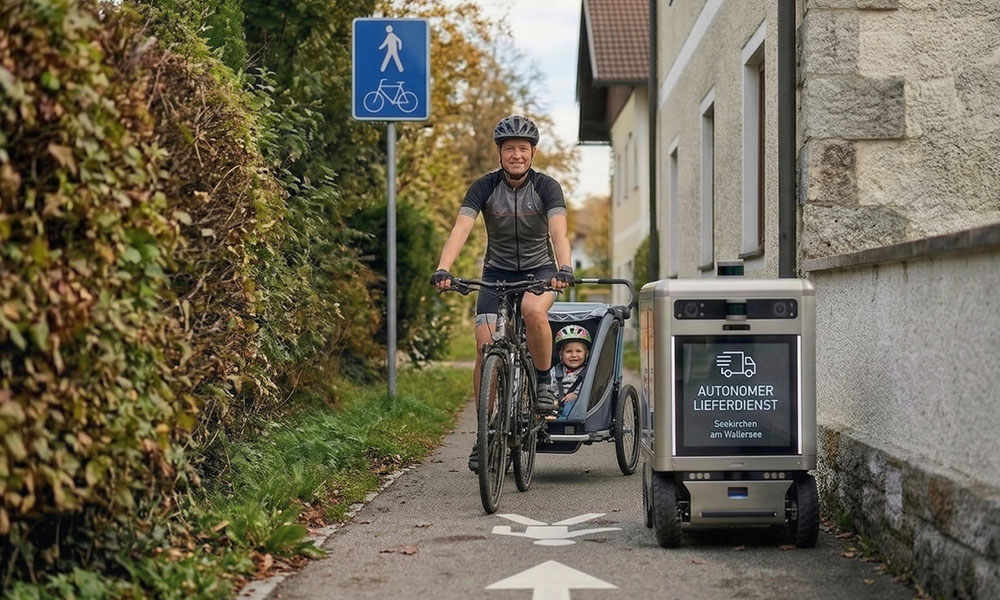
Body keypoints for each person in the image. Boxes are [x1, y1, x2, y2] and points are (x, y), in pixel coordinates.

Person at [430, 115, 573, 473]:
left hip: (540, 271)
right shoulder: (483, 187)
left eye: (523, 149)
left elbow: (559, 232)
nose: (516, 155)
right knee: (484, 347)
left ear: (533, 152)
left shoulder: (547, 187)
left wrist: (564, 268)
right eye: (509, 149)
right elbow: (461, 229)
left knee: (533, 312)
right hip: (495, 274)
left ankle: (542, 381)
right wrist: (444, 268)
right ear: (499, 152)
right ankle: (486, 430)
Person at [552, 324, 591, 420]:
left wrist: (576, 396)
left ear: (586, 354)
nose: (574, 355)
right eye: (569, 351)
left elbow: (591, 391)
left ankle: (562, 421)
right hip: (556, 405)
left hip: (578, 407)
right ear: (561, 355)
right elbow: (549, 388)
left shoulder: (588, 372)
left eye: (578, 351)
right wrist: (553, 400)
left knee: (571, 405)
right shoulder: (555, 371)